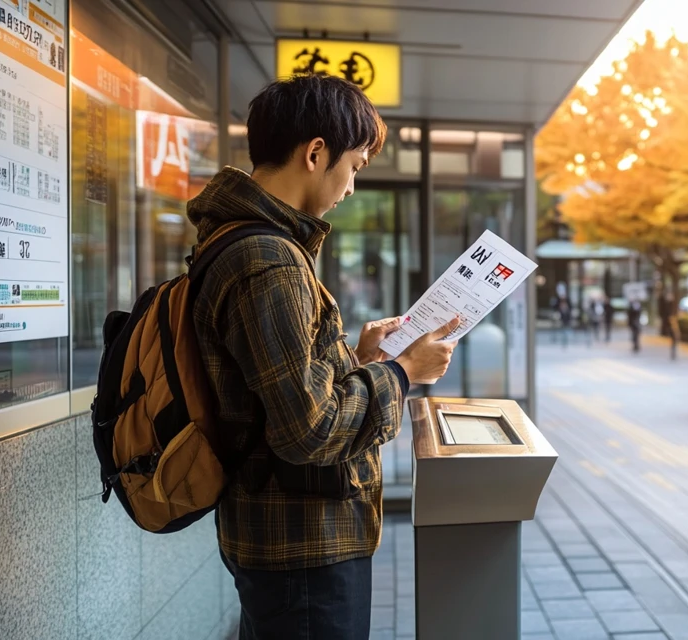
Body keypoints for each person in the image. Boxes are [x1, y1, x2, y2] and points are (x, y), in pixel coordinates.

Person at [188, 74, 458, 640]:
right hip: (303, 545)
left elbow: (276, 392)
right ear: (315, 153)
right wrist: (403, 371)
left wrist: (357, 359)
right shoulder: (271, 261)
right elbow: (308, 431)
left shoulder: (235, 239)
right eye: (355, 165)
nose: (353, 185)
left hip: (278, 536)